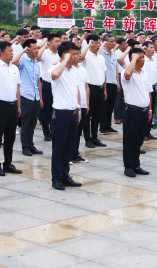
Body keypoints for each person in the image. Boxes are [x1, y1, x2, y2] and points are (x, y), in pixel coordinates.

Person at [49, 41, 83, 190]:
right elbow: (55, 75)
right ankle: (56, 178)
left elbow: (77, 91)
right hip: (60, 114)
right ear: (65, 55)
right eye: (74, 54)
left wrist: (79, 109)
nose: (77, 56)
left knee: (69, 148)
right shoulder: (55, 68)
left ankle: (65, 175)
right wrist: (64, 60)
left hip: (73, 113)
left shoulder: (75, 71)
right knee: (59, 148)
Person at [0, 42, 22, 176]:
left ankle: (8, 163)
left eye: (12, 51)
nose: (12, 53)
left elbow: (17, 87)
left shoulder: (14, 68)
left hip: (12, 105)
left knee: (10, 137)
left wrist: (18, 106)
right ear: (1, 53)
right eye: (9, 51)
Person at [121, 47, 152, 177]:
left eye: (143, 57)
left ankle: (136, 164)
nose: (143, 60)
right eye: (140, 57)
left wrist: (150, 109)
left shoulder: (144, 73)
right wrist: (133, 60)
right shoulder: (127, 72)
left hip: (144, 111)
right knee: (130, 139)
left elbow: (148, 92)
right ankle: (128, 166)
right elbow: (127, 75)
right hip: (132, 111)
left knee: (139, 140)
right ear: (132, 59)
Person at [13, 39, 44, 157]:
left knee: (33, 123)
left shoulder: (37, 63)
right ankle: (25, 146)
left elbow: (38, 82)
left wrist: (40, 98)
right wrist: (23, 51)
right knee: (25, 124)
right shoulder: (23, 61)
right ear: (27, 50)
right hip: (26, 96)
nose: (37, 51)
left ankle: (31, 144)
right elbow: (14, 61)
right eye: (34, 49)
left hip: (35, 96)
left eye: (37, 48)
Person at [79, 34, 107, 147]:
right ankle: (88, 139)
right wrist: (88, 45)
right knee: (87, 115)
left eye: (99, 43)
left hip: (100, 88)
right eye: (95, 43)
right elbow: (81, 56)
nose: (98, 45)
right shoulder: (86, 55)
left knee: (97, 115)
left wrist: (105, 89)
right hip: (90, 88)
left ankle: (95, 137)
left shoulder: (101, 57)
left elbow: (104, 73)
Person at [39, 34, 61, 141]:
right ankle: (46, 133)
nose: (58, 43)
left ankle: (54, 131)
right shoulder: (45, 53)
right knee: (46, 110)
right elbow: (38, 57)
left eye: (59, 41)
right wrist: (44, 46)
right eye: (56, 41)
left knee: (55, 109)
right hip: (47, 85)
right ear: (50, 42)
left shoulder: (60, 53)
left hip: (58, 85)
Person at [99, 34, 119, 135]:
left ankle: (108, 126)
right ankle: (103, 127)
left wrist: (118, 82)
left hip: (113, 83)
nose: (113, 43)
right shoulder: (101, 53)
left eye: (114, 41)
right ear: (105, 42)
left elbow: (116, 69)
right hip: (106, 83)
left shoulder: (114, 54)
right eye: (111, 41)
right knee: (105, 106)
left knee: (111, 106)